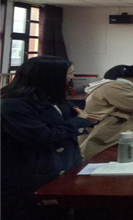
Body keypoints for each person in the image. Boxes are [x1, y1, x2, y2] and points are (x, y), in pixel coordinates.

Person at [1, 56, 100, 220]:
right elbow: (42, 135)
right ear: (50, 76)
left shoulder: (52, 99)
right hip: (31, 178)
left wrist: (86, 120)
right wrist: (79, 121)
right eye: (69, 73)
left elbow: (68, 123)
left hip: (62, 169)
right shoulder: (13, 104)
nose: (72, 77)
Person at [79, 63, 133, 161]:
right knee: (97, 160)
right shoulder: (115, 86)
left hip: (113, 134)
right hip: (104, 133)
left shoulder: (122, 86)